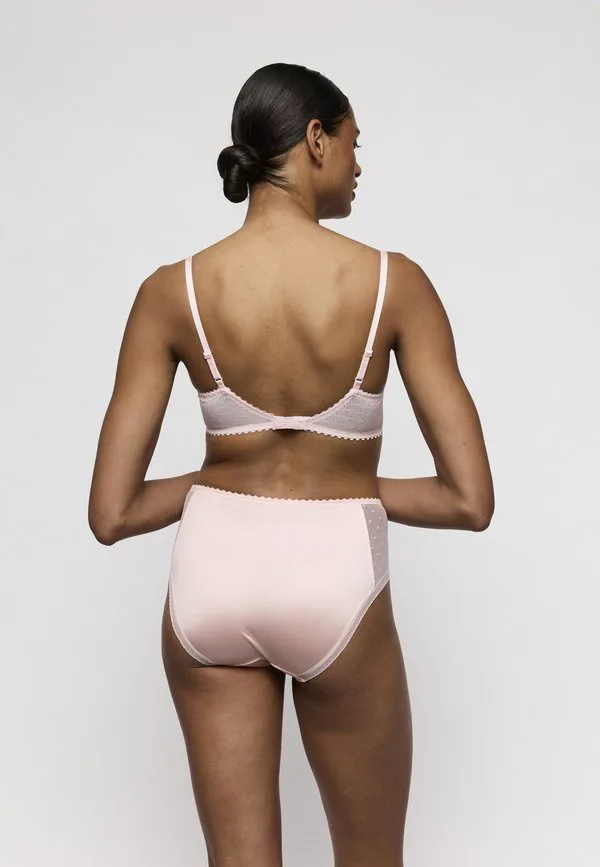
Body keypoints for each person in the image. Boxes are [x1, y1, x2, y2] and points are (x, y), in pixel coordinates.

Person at [88, 62, 494, 867]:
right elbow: (469, 499)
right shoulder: (394, 284)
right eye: (353, 143)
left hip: (212, 569)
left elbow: (112, 513)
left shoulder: (171, 291)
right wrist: (345, 486)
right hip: (333, 572)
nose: (359, 165)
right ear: (315, 139)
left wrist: (223, 482)